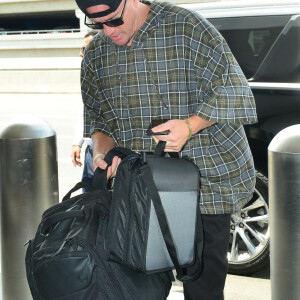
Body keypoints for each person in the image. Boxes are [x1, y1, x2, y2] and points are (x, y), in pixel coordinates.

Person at [74, 0, 258, 299]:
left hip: (205, 183)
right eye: (97, 24)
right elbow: (98, 120)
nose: (108, 32)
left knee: (203, 286)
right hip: (142, 190)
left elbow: (233, 89)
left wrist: (190, 125)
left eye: (114, 20)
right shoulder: (97, 53)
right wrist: (100, 153)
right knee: (140, 285)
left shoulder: (187, 27)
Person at [70, 30, 98, 190]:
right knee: (88, 194)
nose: (81, 54)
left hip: (108, 151)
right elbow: (85, 113)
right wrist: (77, 143)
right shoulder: (88, 76)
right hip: (91, 150)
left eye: (85, 49)